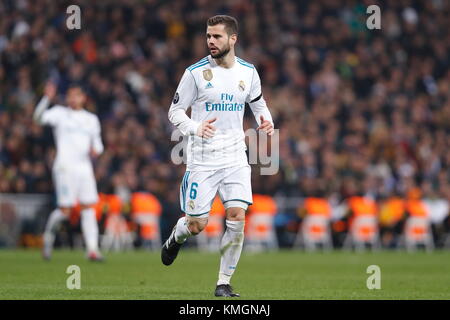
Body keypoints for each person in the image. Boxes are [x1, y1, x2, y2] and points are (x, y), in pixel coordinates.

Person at [163, 15, 274, 297]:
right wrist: (195, 127)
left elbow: (258, 102)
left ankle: (223, 283)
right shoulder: (195, 73)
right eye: (208, 36)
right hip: (203, 159)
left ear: (233, 39)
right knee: (197, 225)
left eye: (217, 36)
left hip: (236, 156)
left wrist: (265, 120)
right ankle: (177, 236)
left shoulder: (248, 72)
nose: (210, 41)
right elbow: (174, 112)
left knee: (237, 216)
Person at [33, 82, 104, 261]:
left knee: (88, 207)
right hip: (64, 167)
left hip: (84, 169)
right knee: (65, 211)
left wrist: (96, 151)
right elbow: (38, 118)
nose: (73, 99)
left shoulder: (91, 119)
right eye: (70, 95)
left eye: (76, 95)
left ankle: (92, 250)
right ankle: (48, 239)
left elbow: (98, 144)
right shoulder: (59, 113)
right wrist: (46, 98)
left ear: (83, 98)